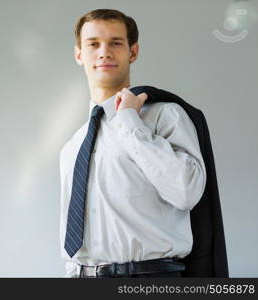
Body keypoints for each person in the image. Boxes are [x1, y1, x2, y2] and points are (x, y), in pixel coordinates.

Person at [59, 8, 207, 278]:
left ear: (133, 52)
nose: (104, 52)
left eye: (116, 43)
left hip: (149, 279)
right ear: (79, 54)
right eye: (93, 44)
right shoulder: (73, 146)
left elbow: (186, 191)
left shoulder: (165, 116)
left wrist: (128, 121)